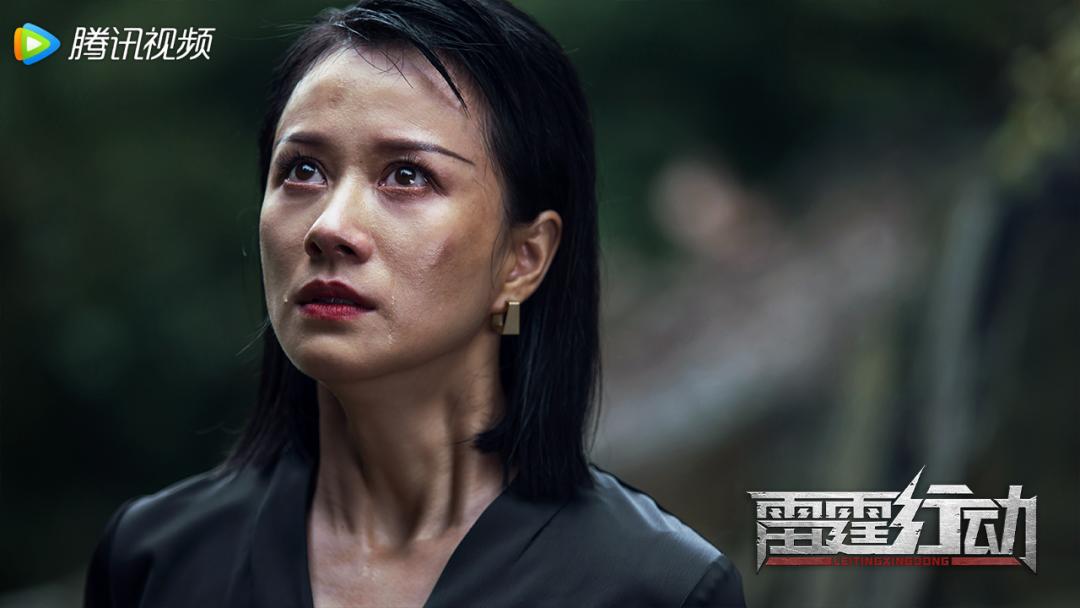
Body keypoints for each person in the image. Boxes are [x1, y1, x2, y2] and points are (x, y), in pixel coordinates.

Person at [82, 1, 747, 606]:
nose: (329, 227)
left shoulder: (655, 587)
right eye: (303, 170)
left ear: (523, 259)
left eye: (407, 175)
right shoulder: (156, 561)